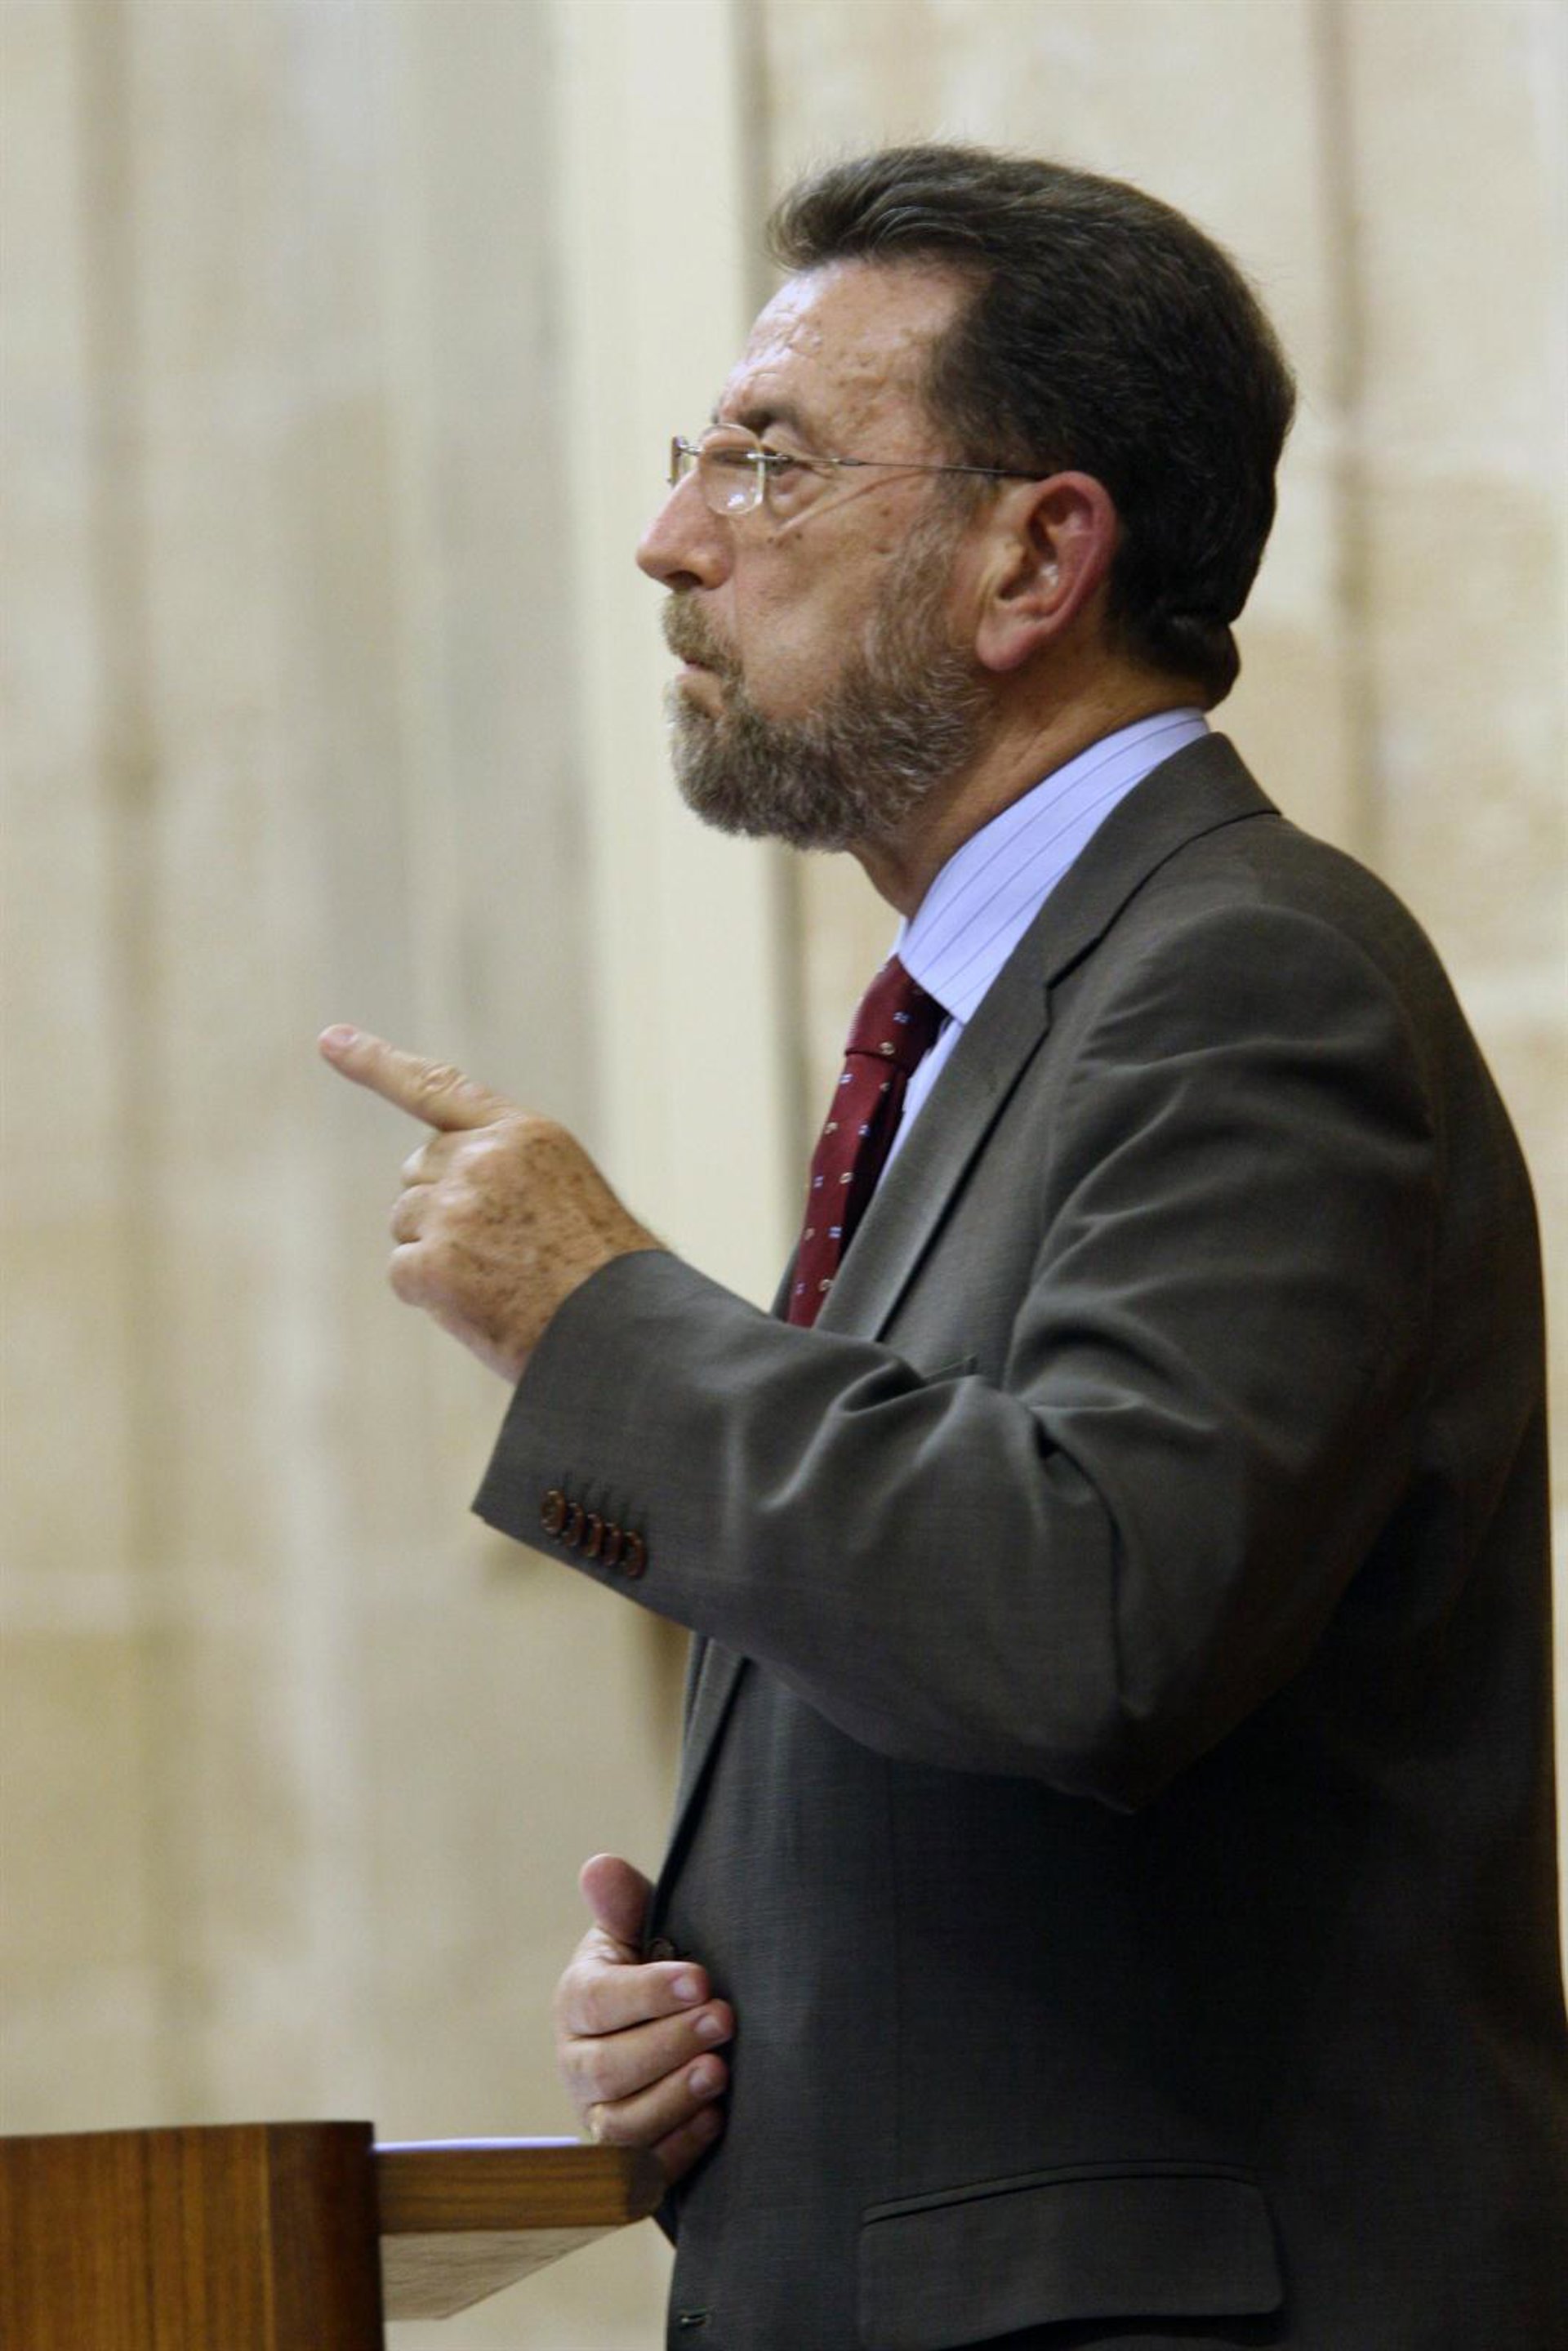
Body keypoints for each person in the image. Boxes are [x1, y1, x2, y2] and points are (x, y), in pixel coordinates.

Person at [321, 147, 1567, 2349]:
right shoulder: (1011, 1017)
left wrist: (597, 1314)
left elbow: (1085, 1617)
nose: (673, 535)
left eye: (770, 461)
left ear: (1036, 557)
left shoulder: (1248, 973)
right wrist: (726, 1997)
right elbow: (968, 1667)